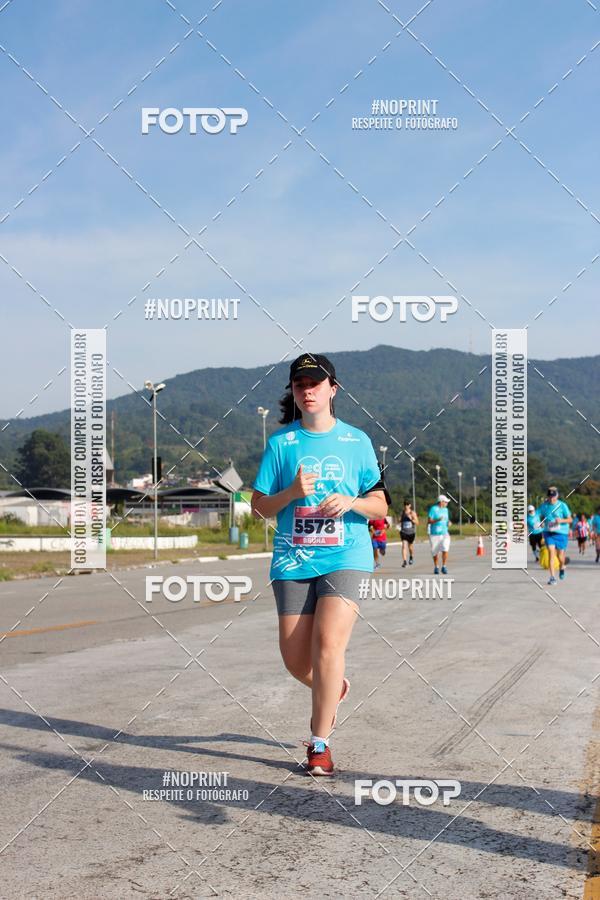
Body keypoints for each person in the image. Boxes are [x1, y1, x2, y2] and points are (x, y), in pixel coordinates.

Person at [251, 353, 388, 776]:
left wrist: (351, 502)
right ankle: (333, 685)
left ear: (333, 389)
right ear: (293, 392)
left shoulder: (357, 442)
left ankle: (319, 744)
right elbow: (258, 507)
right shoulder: (281, 444)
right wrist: (291, 493)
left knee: (328, 645)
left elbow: (380, 505)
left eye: (315, 383)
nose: (307, 390)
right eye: (300, 384)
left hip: (346, 555)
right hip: (293, 559)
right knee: (297, 661)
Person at [536, 486, 573, 585]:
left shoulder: (562, 505)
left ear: (557, 496)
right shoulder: (544, 506)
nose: (551, 499)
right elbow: (536, 515)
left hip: (561, 533)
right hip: (548, 532)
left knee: (560, 556)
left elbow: (570, 519)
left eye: (553, 496)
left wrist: (561, 520)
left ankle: (562, 566)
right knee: (551, 553)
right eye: (549, 496)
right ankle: (552, 577)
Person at [428, 494, 451, 575]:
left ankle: (444, 566)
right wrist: (437, 520)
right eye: (446, 502)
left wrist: (449, 523)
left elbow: (447, 520)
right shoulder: (433, 509)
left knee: (445, 548)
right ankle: (436, 567)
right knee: (435, 552)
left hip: (445, 533)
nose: (447, 503)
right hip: (434, 534)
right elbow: (429, 521)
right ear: (441, 502)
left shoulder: (446, 510)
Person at [399, 500, 419, 567]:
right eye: (405, 504)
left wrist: (411, 519)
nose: (406, 506)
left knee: (410, 547)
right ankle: (404, 561)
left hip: (411, 532)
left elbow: (417, 523)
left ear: (410, 505)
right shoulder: (402, 513)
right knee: (404, 546)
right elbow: (400, 521)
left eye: (407, 504)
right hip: (403, 532)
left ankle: (411, 556)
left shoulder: (412, 513)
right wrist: (400, 521)